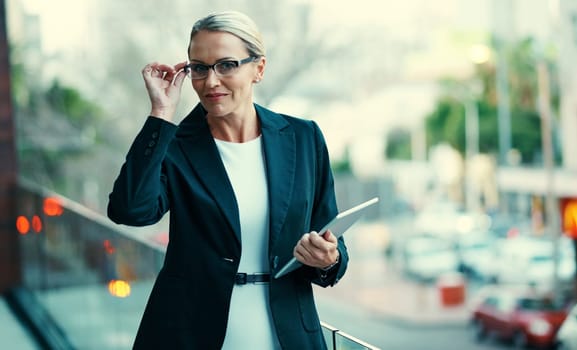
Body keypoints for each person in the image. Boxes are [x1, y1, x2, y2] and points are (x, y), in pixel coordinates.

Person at [107, 10, 348, 350]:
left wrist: (329, 259)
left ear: (258, 68)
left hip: (288, 333)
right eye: (199, 68)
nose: (210, 81)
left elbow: (332, 241)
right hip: (189, 333)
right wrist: (161, 114)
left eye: (226, 65)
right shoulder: (173, 145)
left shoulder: (303, 137)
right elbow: (130, 211)